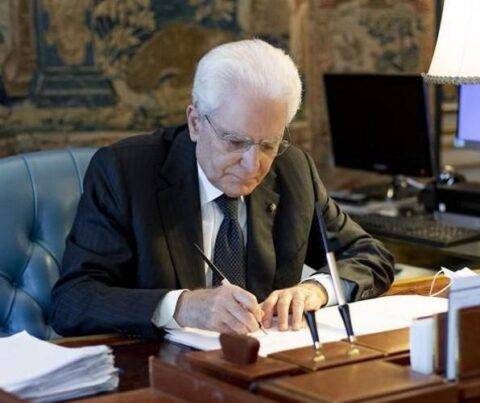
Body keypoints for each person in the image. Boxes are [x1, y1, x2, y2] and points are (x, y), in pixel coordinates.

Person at [50, 39, 394, 338]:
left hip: (264, 366)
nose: (253, 165)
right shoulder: (125, 172)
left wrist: (316, 290)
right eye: (235, 142)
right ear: (195, 123)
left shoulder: (294, 170)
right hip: (161, 373)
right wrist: (181, 307)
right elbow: (73, 300)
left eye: (268, 144)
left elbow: (370, 256)